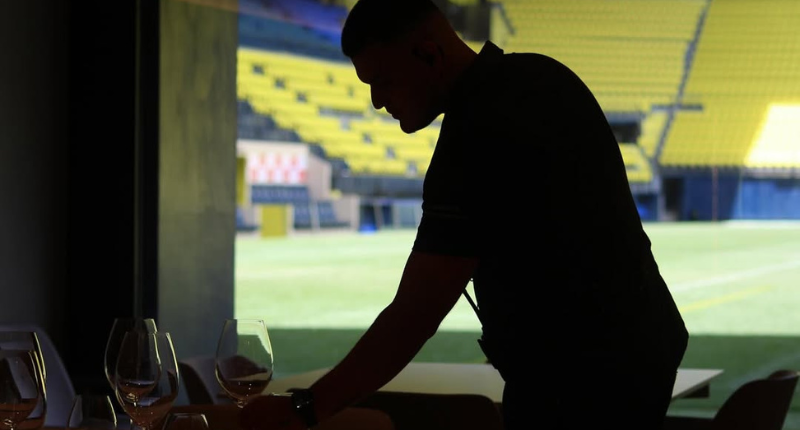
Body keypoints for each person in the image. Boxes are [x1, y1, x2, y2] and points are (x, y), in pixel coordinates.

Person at [239, 0, 689, 429]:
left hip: (579, 381)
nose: (377, 101)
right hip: (635, 356)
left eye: (382, 80)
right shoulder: (544, 76)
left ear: (428, 53)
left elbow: (416, 313)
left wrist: (306, 409)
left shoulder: (475, 137)